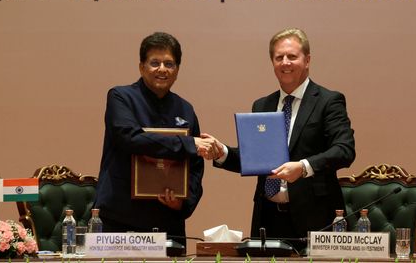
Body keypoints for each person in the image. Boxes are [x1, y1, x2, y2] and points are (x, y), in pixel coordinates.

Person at [213, 28, 356, 248]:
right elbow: (255, 160)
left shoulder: (328, 101)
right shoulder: (262, 106)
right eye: (279, 57)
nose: (285, 62)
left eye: (292, 56)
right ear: (272, 63)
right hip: (268, 218)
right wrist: (221, 152)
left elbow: (344, 150)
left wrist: (303, 167)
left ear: (307, 60)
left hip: (314, 218)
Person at [94, 32, 217, 240]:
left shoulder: (185, 109)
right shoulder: (120, 97)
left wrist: (183, 202)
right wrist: (188, 143)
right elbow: (129, 138)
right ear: (142, 67)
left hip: (168, 220)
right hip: (120, 218)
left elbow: (195, 166)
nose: (162, 69)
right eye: (155, 63)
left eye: (169, 64)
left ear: (177, 70)